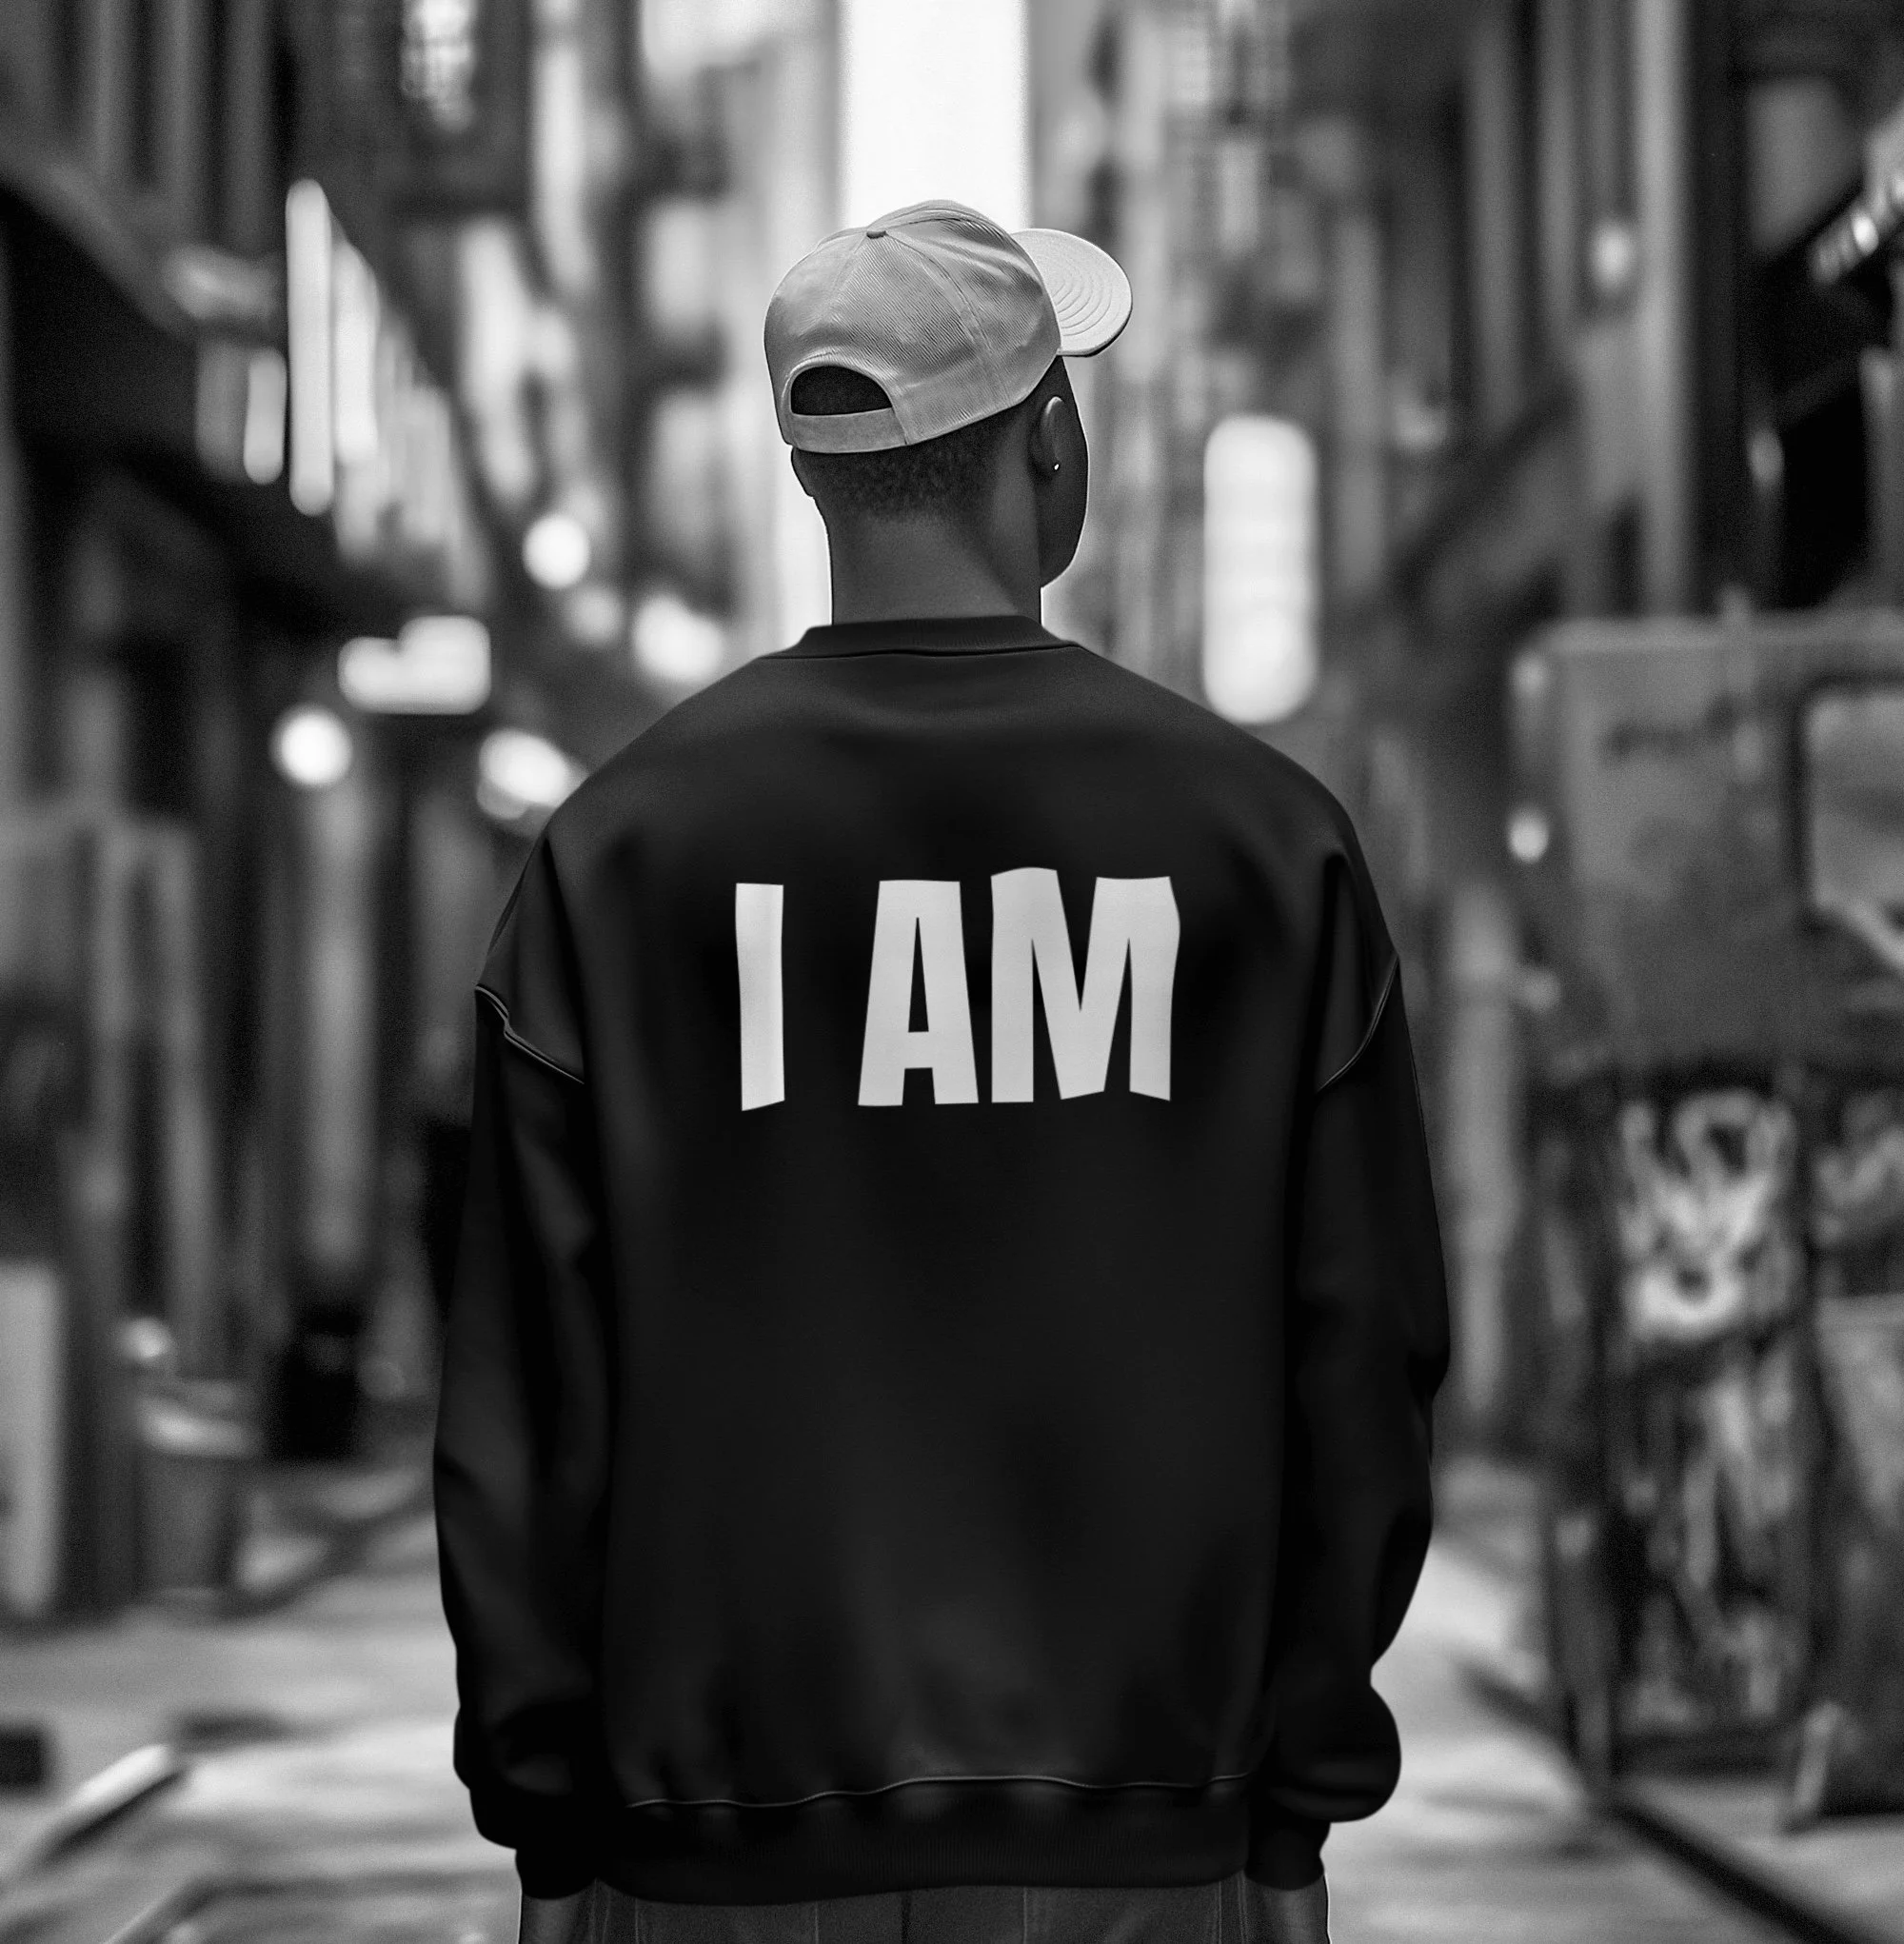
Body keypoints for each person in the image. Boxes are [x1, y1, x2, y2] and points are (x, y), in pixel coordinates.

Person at [435, 200, 1450, 1944]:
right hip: (1144, 1846)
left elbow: (525, 1399)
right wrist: (1292, 1812)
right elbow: (1362, 1366)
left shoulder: (619, 858)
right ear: (1049, 443)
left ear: (812, 474)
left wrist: (547, 1823)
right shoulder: (1264, 852)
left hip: (712, 1861)